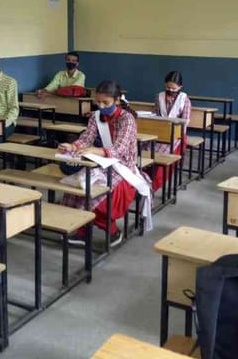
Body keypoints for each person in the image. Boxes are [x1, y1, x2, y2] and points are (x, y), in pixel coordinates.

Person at [58, 80, 151, 247]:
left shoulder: (127, 119)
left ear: (117, 100)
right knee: (78, 188)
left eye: (105, 103)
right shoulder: (96, 116)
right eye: (98, 102)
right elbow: (87, 138)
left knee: (99, 193)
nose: (101, 106)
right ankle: (82, 231)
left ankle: (112, 231)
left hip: (122, 167)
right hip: (101, 163)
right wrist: (73, 146)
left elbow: (119, 149)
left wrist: (94, 150)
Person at [148, 71, 191, 191]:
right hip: (160, 131)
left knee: (162, 152)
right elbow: (156, 114)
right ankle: (143, 178)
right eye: (168, 87)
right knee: (146, 149)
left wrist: (173, 131)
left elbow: (185, 121)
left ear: (180, 87)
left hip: (176, 134)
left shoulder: (185, 100)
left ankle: (153, 184)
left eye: (174, 88)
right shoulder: (159, 96)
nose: (170, 90)